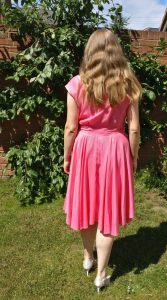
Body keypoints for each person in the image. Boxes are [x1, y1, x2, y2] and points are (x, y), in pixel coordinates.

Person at [63, 28, 142, 293]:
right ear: (117, 51)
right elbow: (133, 129)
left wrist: (67, 156)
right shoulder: (128, 83)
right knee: (108, 212)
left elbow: (70, 128)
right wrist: (132, 158)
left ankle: (88, 258)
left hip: (85, 147)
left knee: (85, 206)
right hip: (115, 148)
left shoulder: (77, 83)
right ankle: (101, 274)